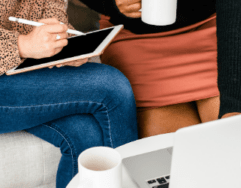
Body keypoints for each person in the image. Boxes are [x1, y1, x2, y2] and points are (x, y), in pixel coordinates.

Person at [79, 0, 241, 138]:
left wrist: (236, 101)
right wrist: (110, 2)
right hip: (135, 39)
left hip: (225, 25)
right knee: (175, 162)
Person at [0, 0, 138, 187]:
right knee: (111, 85)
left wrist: (60, 40)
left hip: (24, 68)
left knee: (87, 133)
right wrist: (21, 45)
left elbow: (51, 7)